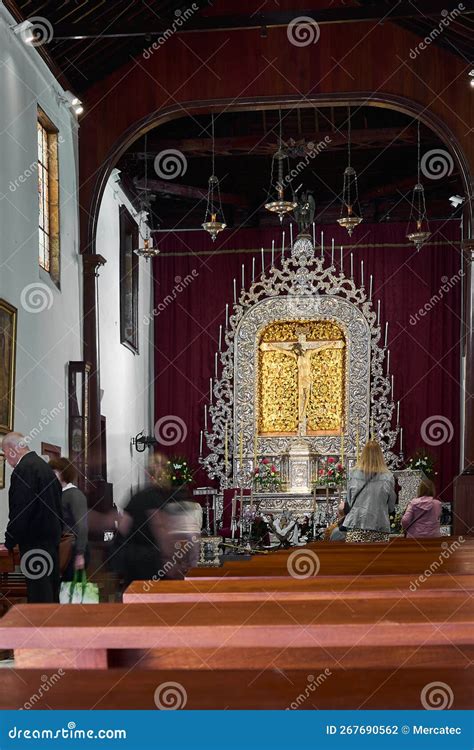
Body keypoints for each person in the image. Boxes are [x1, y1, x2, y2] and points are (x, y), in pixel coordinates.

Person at [113, 453, 201, 585]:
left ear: (147, 473)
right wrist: (170, 559)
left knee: (134, 599)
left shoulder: (138, 495)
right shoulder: (159, 497)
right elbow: (160, 528)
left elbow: (122, 528)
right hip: (152, 561)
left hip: (132, 559)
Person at [1, 433, 63, 602]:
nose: (7, 461)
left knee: (38, 596)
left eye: (5, 454)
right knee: (49, 593)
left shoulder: (25, 470)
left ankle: (40, 628)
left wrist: (9, 541)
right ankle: (52, 627)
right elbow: (58, 506)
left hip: (35, 545)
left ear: (13, 450)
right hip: (51, 543)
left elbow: (20, 511)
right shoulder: (44, 467)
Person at [344, 440, 396, 543]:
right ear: (380, 456)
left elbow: (349, 501)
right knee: (379, 558)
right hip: (379, 525)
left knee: (356, 558)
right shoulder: (388, 477)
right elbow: (391, 506)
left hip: (356, 524)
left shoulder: (353, 474)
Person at [49, 457, 88, 580]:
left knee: (70, 590)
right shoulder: (58, 493)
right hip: (63, 547)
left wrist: (80, 554)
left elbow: (82, 525)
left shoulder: (74, 494)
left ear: (63, 473)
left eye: (54, 472)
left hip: (73, 549)